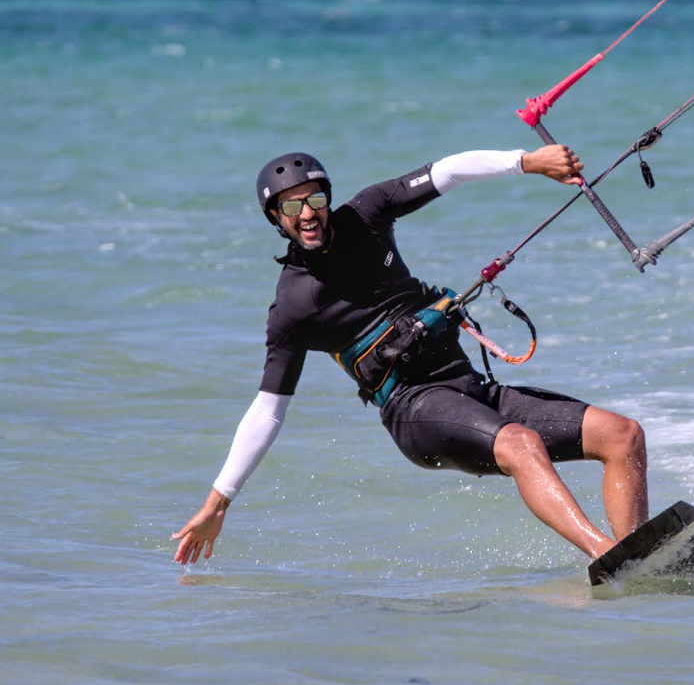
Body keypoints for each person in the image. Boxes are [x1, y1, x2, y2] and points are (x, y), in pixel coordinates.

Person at [172, 145, 649, 567]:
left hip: (469, 388)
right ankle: (606, 555)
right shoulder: (294, 308)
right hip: (413, 407)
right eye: (291, 206)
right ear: (276, 219)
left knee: (622, 436)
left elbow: (447, 171)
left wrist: (526, 162)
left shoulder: (368, 216)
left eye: (314, 198)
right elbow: (267, 411)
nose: (307, 213)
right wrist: (219, 502)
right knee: (521, 444)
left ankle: (640, 562)